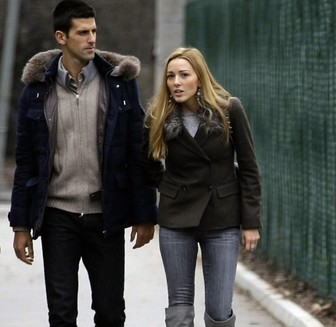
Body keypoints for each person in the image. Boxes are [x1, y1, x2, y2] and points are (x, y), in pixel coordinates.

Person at [8, 1, 158, 326]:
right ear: (61, 37)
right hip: (57, 216)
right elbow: (27, 162)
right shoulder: (36, 91)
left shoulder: (119, 83)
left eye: (94, 31)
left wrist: (145, 214)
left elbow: (138, 151)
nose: (92, 38)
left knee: (109, 313)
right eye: (82, 32)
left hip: (105, 216)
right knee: (61, 315)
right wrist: (21, 226)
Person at [141, 47, 262, 327]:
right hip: (176, 218)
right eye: (171, 76)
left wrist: (251, 222)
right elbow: (144, 164)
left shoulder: (229, 110)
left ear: (199, 78)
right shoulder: (158, 116)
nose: (176, 82)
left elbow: (249, 168)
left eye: (184, 75)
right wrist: (170, 186)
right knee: (179, 308)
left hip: (221, 217)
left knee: (220, 310)